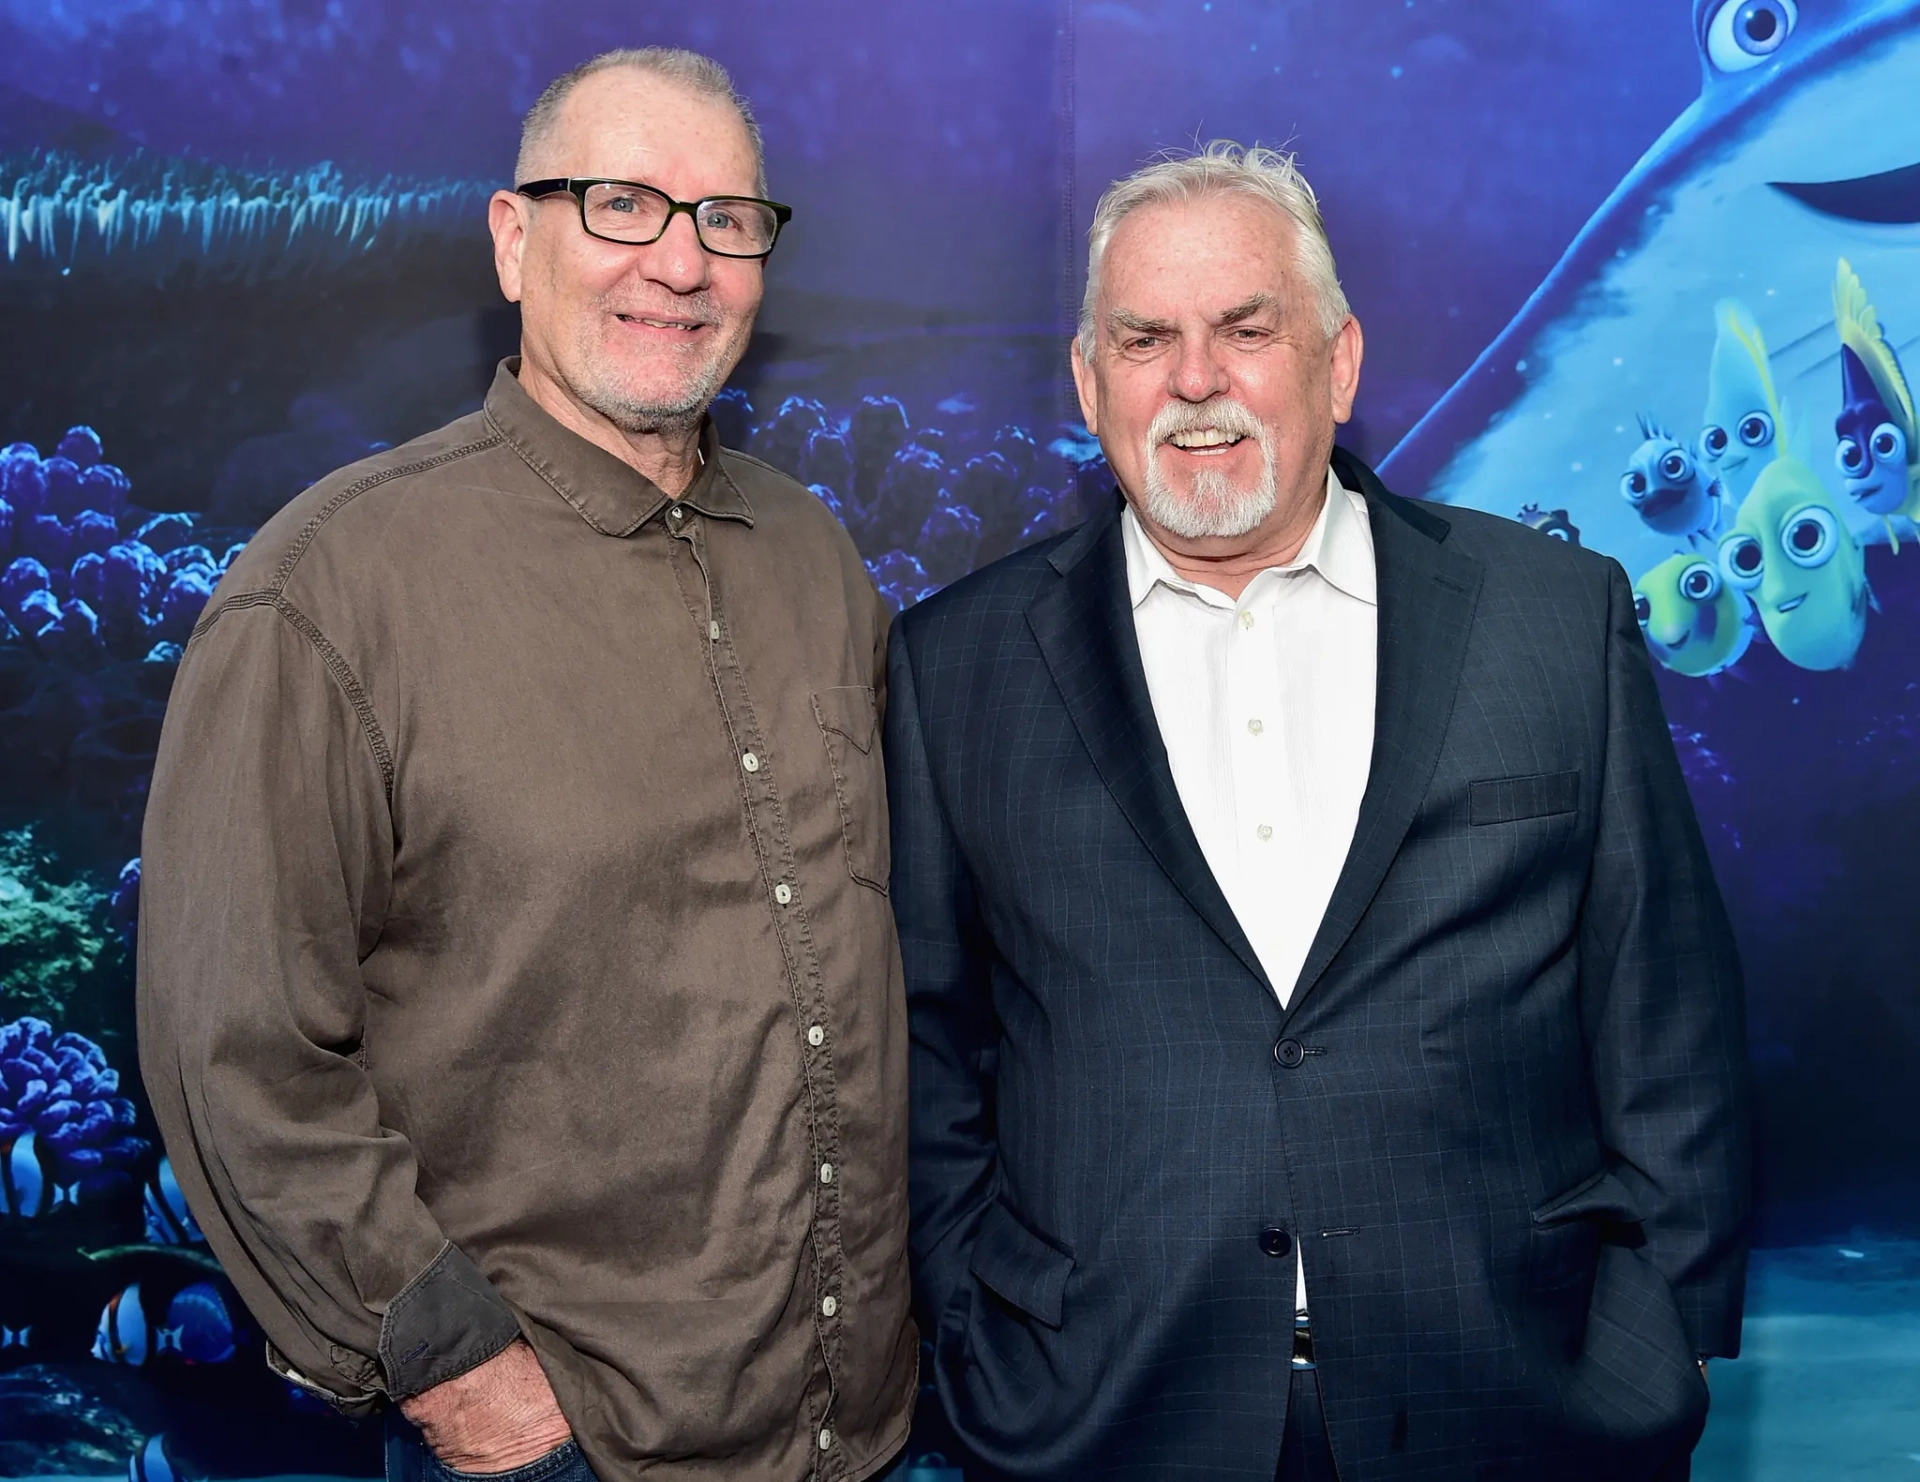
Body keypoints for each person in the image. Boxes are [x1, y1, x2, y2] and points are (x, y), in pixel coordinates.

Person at [887, 141, 1750, 1481]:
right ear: (1087, 378)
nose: (1194, 380)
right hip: (1108, 1424)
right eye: (1144, 337)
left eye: (1246, 328)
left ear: (1338, 362)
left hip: (1514, 1415)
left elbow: (1667, 1011)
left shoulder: (1549, 620)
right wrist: (977, 1345)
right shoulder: (955, 668)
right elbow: (928, 1056)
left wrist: (1665, 1342)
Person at [138, 48, 915, 1482]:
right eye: (622, 204)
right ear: (513, 239)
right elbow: (232, 1044)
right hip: (562, 1453)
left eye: (726, 218)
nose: (678, 263)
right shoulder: (329, 591)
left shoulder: (817, 559)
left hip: (856, 1439)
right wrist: (461, 1378)